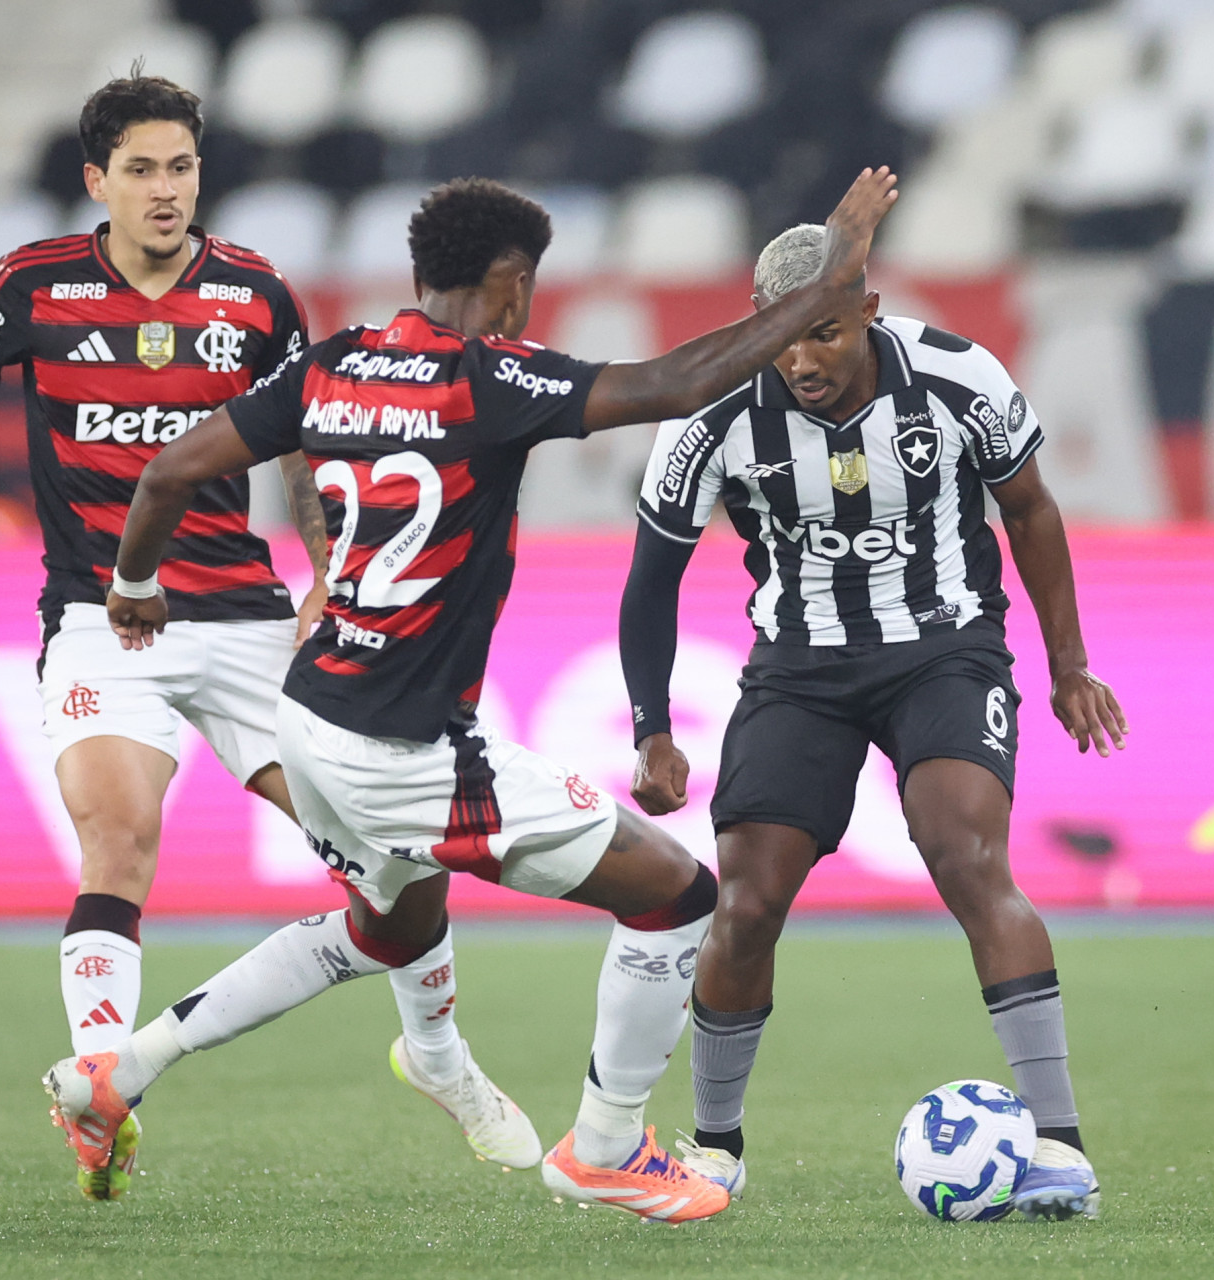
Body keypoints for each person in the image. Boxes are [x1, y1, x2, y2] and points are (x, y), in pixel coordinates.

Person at [46, 168, 899, 1220]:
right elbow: (677, 383)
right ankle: (605, 1144)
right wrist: (835, 277)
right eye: (526, 290)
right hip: (402, 748)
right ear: (509, 283)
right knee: (675, 894)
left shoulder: (336, 364)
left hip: (308, 715)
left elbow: (172, 466)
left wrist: (131, 586)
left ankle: (116, 1072)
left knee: (384, 930)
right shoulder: (489, 376)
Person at [0, 72, 537, 1197]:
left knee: (389, 861)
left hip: (244, 620)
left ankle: (442, 1060)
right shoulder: (32, 287)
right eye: (140, 169)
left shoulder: (254, 293)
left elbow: (300, 445)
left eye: (180, 166)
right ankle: (102, 1084)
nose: (164, 190)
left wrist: (328, 573)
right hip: (101, 617)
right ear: (97, 180)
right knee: (118, 838)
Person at [621, 222, 1128, 1220]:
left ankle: (1060, 1144)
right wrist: (652, 724)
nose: (800, 361)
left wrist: (1069, 664)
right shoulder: (713, 414)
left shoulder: (958, 377)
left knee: (968, 853)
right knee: (748, 900)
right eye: (780, 337)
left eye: (821, 334)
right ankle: (715, 1147)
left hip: (944, 647)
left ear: (868, 314)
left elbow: (1029, 506)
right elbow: (652, 577)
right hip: (798, 668)